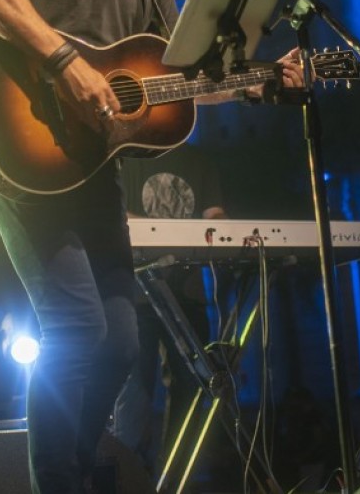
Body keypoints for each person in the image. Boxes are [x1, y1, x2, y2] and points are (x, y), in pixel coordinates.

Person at [0, 0, 304, 494]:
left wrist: (257, 83)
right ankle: (61, 482)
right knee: (75, 327)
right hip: (23, 148)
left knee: (118, 343)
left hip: (92, 171)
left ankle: (75, 470)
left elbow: (174, 81)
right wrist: (64, 62)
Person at [112, 143, 226, 479]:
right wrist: (173, 232)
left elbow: (214, 215)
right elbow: (119, 215)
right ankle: (125, 478)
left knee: (191, 386)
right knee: (135, 390)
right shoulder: (129, 157)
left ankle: (178, 477)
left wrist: (222, 228)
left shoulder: (199, 159)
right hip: (137, 296)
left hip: (187, 295)